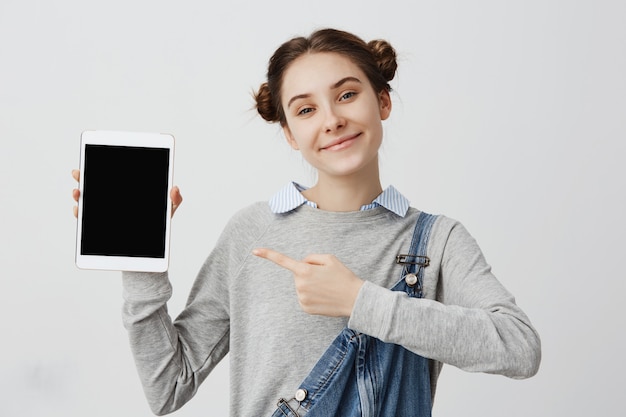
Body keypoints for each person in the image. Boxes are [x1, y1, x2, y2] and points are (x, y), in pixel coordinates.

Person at [72, 28, 541, 416]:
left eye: (348, 95)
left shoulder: (438, 241)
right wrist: (138, 259)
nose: (332, 119)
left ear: (383, 103)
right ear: (290, 135)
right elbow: (168, 386)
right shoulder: (252, 232)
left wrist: (360, 301)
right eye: (306, 109)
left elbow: (520, 348)